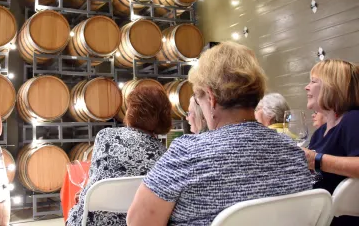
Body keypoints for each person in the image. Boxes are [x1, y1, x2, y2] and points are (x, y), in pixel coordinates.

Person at [127, 42, 312, 226]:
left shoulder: (187, 153)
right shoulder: (292, 151)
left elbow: (138, 222)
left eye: (199, 101)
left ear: (211, 98)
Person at [67, 86, 172, 226]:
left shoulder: (105, 136)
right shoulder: (164, 154)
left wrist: (86, 195)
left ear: (131, 111)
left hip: (90, 221)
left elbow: (96, 178)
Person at [303, 60, 359, 225]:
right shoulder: (320, 132)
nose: (307, 87)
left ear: (332, 87)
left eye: (313, 81)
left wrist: (316, 160)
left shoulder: (353, 119)